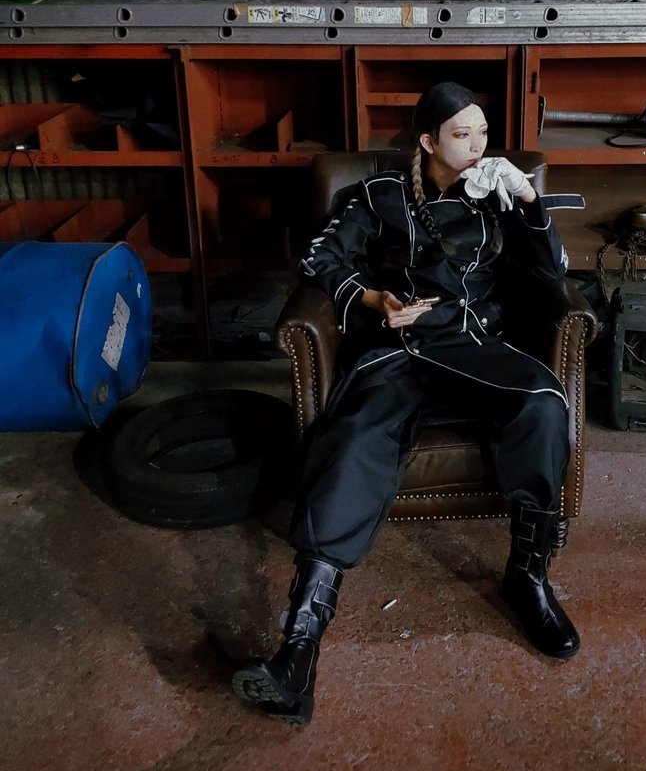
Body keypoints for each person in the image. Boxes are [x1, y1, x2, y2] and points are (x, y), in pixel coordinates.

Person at [232, 81, 581, 725]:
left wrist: (529, 200)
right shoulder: (380, 195)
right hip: (399, 349)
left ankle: (528, 577)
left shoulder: (498, 193)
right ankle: (299, 650)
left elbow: (552, 272)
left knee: (541, 400)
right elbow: (319, 257)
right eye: (461, 134)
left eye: (482, 132)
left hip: (474, 344)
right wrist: (373, 299)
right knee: (350, 440)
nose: (477, 146)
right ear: (428, 141)